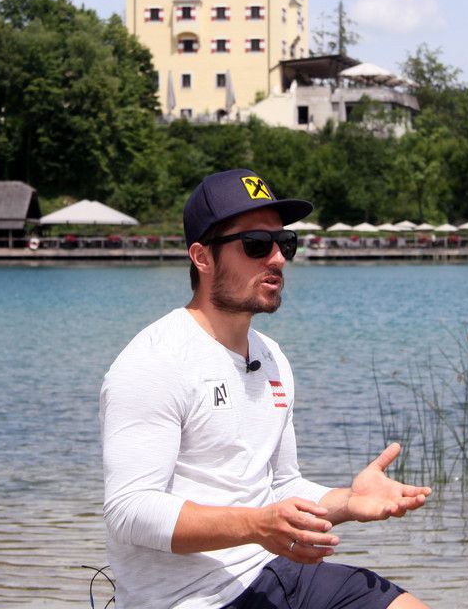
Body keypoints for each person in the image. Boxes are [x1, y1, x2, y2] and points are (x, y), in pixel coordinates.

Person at [101, 168, 432, 609]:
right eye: (256, 244)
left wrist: (349, 502)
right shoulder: (155, 361)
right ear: (202, 257)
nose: (277, 258)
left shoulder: (271, 356)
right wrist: (257, 526)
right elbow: (130, 512)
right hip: (188, 599)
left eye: (284, 243)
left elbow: (281, 488)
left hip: (271, 574)